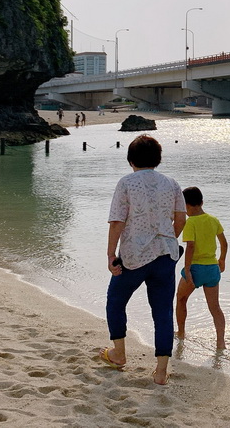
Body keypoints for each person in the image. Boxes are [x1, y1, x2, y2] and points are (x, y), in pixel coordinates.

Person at [100, 135, 186, 385]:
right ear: (158, 159)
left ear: (131, 160)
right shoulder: (171, 184)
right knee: (162, 311)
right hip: (165, 255)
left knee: (116, 300)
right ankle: (161, 372)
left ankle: (118, 353)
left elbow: (117, 221)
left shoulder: (126, 183)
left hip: (134, 255)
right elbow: (181, 220)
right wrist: (169, 239)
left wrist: (110, 255)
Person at [175, 186, 228, 350]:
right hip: (212, 269)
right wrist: (222, 260)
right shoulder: (213, 220)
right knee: (215, 307)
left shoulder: (190, 223)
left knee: (181, 298)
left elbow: (190, 246)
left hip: (196, 269)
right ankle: (220, 342)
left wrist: (187, 269)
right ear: (202, 202)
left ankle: (181, 333)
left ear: (186, 205)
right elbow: (224, 243)